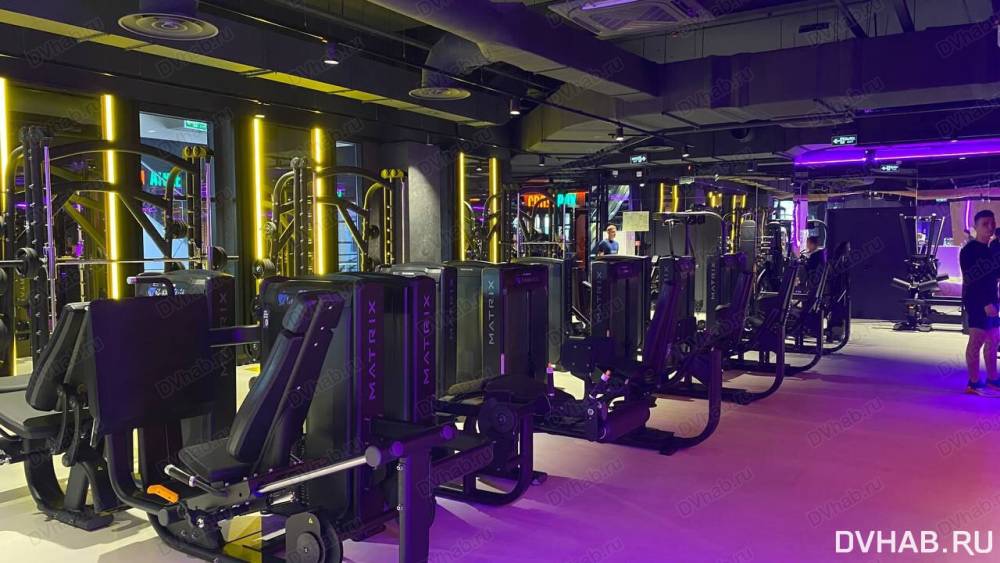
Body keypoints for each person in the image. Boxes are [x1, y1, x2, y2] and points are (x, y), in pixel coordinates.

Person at [959, 209, 1000, 396]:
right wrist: (985, 303)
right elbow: (972, 280)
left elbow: (995, 276)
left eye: (992, 223)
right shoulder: (970, 250)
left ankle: (992, 378)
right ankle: (973, 383)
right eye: (985, 224)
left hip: (992, 300)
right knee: (977, 340)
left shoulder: (991, 249)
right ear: (975, 227)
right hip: (977, 302)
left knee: (993, 340)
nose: (990, 227)